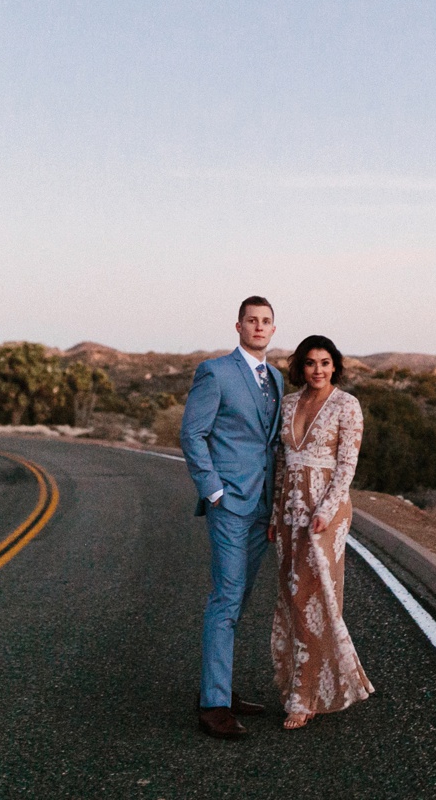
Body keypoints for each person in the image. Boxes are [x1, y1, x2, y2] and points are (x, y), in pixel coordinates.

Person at [181, 296, 285, 740]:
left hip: (262, 507)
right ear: (238, 326)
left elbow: (272, 444)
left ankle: (218, 686)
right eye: (252, 321)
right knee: (225, 599)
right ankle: (213, 706)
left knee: (238, 601)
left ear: (273, 329)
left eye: (266, 322)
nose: (259, 327)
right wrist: (214, 489)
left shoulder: (276, 377)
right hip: (230, 505)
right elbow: (192, 432)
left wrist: (278, 503)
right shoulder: (215, 372)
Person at [268, 334, 374, 729]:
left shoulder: (347, 405)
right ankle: (310, 681)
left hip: (325, 512)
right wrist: (274, 514)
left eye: (325, 363)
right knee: (293, 597)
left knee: (315, 595)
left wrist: (325, 511)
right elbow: (281, 463)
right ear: (301, 366)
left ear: (335, 366)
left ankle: (306, 695)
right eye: (311, 363)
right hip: (290, 509)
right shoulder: (289, 404)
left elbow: (346, 466)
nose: (318, 370)